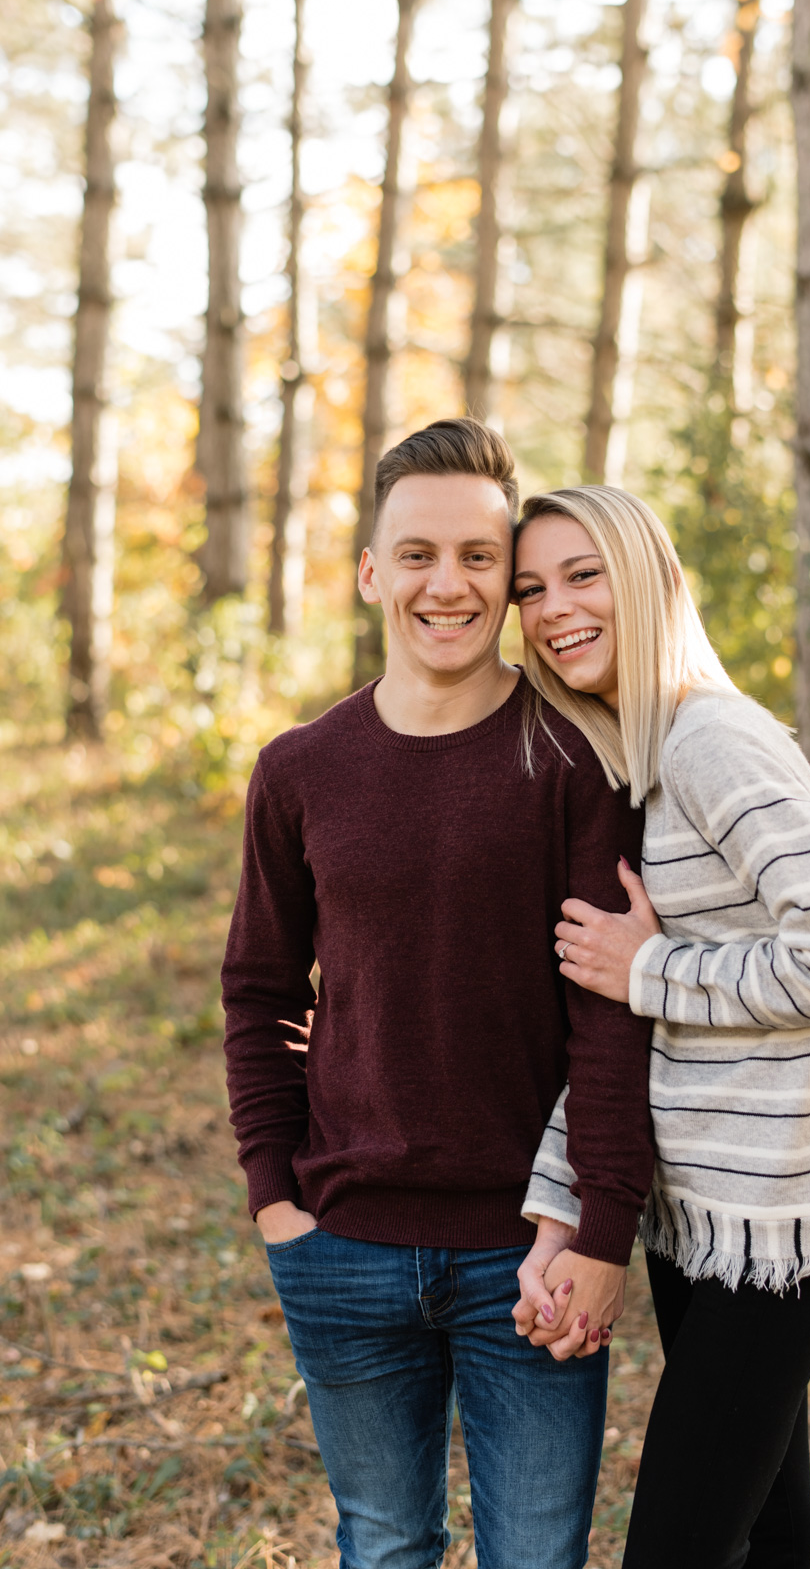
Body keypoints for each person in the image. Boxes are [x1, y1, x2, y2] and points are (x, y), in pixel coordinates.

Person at [221, 423, 655, 1569]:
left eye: (476, 556)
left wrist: (600, 1225)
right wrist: (278, 1200)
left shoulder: (575, 759)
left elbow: (609, 1017)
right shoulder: (300, 768)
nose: (445, 583)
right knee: (384, 1546)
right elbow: (261, 989)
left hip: (530, 1254)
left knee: (535, 1557)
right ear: (370, 570)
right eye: (415, 553)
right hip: (340, 1243)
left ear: (507, 580)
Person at [510, 484, 810, 1569]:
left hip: (776, 1216)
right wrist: (558, 1209)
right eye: (530, 589)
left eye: (581, 574)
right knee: (767, 1532)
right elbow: (616, 1027)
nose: (553, 609)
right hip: (704, 1210)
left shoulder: (709, 738)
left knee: (677, 1548)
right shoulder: (639, 758)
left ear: (646, 576)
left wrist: (654, 967)